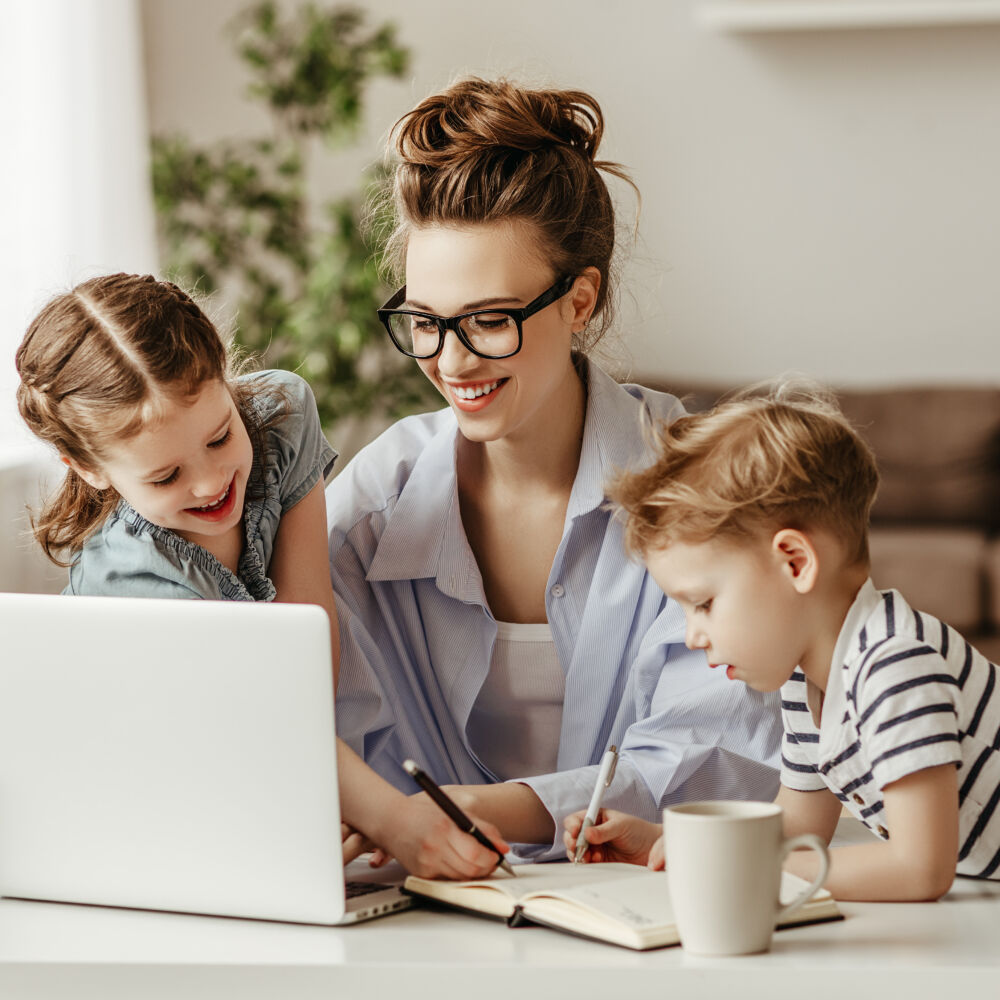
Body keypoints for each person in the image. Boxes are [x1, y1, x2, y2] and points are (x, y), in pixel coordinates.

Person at [328, 77, 782, 862]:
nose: (452, 359)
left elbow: (715, 754)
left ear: (579, 300)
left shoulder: (701, 482)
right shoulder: (370, 510)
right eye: (426, 323)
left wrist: (458, 812)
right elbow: (300, 715)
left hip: (646, 915)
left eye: (490, 320)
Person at [14, 272, 507, 880]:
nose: (209, 482)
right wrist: (393, 820)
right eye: (165, 478)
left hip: (271, 770)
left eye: (221, 436)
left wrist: (340, 806)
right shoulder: (131, 578)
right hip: (146, 810)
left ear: (225, 376)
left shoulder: (282, 415)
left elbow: (308, 646)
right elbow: (247, 721)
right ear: (87, 468)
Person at [562, 382, 1000, 900]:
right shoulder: (805, 682)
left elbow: (921, 868)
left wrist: (744, 869)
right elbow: (799, 834)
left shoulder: (892, 665)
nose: (691, 635)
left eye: (703, 603)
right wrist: (673, 841)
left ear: (795, 562)